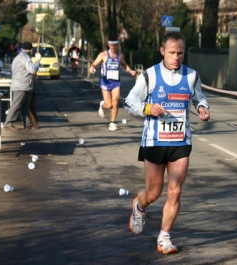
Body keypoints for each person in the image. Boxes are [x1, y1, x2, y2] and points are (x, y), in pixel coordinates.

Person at [124, 32, 210, 254]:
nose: (176, 57)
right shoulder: (150, 76)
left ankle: (164, 238)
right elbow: (130, 102)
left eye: (180, 53)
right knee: (154, 193)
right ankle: (140, 205)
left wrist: (202, 107)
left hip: (180, 141)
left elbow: (199, 97)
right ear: (162, 51)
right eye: (172, 53)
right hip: (154, 141)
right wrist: (147, 108)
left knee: (175, 191)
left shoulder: (191, 76)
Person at [89, 40, 136, 131]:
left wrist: (130, 70)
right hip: (105, 82)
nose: (113, 47)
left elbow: (124, 65)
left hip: (116, 82)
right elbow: (94, 64)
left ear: (117, 45)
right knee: (109, 105)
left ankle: (112, 122)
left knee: (116, 101)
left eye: (114, 45)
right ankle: (102, 106)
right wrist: (92, 68)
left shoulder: (120, 55)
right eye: (111, 45)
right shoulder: (103, 55)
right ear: (108, 45)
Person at [3, 42, 41, 130]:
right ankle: (8, 123)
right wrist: (38, 61)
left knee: (24, 105)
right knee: (16, 105)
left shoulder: (19, 57)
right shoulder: (25, 57)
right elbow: (32, 69)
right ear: (31, 50)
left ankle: (28, 123)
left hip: (21, 85)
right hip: (21, 86)